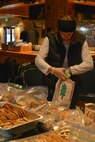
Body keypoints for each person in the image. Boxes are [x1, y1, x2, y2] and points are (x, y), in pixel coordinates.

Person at [35, 15, 94, 108]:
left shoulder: (81, 40)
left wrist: (70, 71)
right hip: (52, 81)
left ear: (74, 32)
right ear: (59, 31)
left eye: (69, 34)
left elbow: (89, 64)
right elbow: (38, 60)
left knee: (69, 112)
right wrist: (53, 70)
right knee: (50, 111)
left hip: (73, 83)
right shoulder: (50, 38)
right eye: (63, 34)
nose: (65, 37)